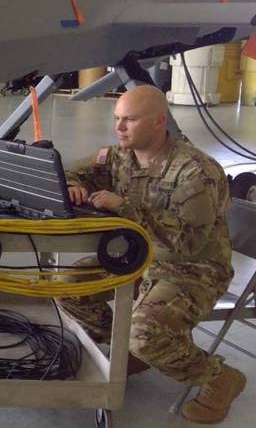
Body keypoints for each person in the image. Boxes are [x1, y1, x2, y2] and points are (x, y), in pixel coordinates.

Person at [60, 85, 246, 424]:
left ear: (159, 122)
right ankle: (132, 350)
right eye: (117, 119)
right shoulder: (120, 155)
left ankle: (219, 377)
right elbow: (74, 170)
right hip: (137, 258)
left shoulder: (196, 172)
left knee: (144, 335)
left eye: (129, 120)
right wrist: (76, 185)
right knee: (68, 286)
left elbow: (187, 244)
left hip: (191, 269)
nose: (119, 128)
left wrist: (126, 208)